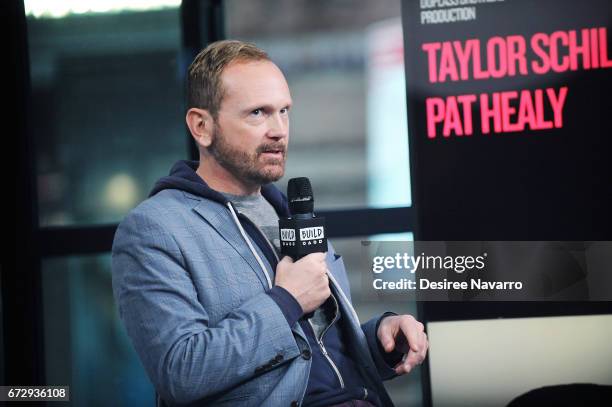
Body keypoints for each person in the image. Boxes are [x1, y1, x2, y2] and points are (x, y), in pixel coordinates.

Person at [111, 40, 428, 407]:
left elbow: (319, 348)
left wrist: (379, 340)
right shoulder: (156, 229)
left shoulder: (287, 209)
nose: (279, 129)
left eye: (284, 111)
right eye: (258, 113)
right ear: (201, 126)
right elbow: (182, 371)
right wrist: (285, 302)